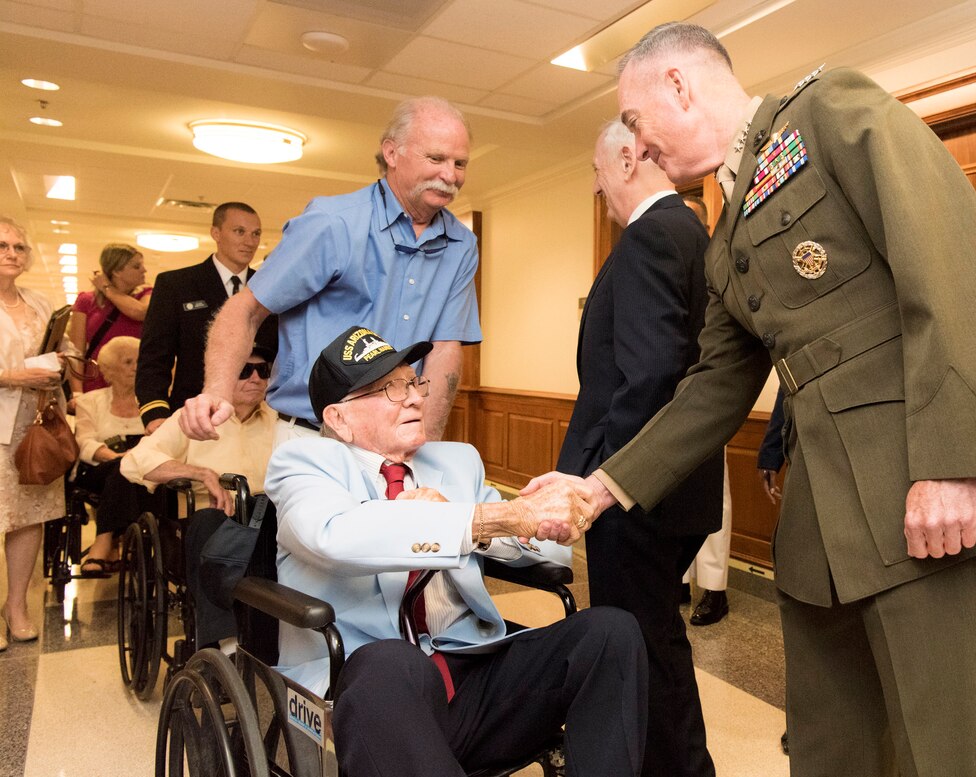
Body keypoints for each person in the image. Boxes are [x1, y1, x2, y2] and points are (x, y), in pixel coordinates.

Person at [528, 22, 976, 777]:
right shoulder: (724, 235)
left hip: (921, 497)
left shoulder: (829, 111)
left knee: (955, 752)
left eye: (636, 124)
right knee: (831, 751)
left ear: (678, 83)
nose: (636, 148)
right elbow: (712, 387)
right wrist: (603, 484)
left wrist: (953, 462)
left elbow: (954, 267)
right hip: (821, 534)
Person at [265, 325, 646, 776]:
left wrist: (502, 524)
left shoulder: (455, 461)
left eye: (413, 381)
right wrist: (473, 519)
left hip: (469, 673)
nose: (413, 398)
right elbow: (333, 534)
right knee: (391, 660)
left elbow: (551, 555)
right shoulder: (304, 465)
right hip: (371, 691)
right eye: (389, 388)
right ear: (338, 418)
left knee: (610, 632)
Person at [555, 120, 720, 777]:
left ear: (626, 159)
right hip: (670, 486)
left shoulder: (653, 235)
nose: (600, 190)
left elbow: (649, 376)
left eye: (599, 177)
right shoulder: (689, 232)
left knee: (644, 646)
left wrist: (604, 483)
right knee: (654, 640)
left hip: (638, 492)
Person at [179, 97, 481, 446]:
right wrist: (216, 390)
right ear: (392, 153)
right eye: (436, 158)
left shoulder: (461, 245)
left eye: (460, 163)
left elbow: (444, 348)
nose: (450, 175)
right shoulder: (332, 223)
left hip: (400, 442)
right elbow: (246, 310)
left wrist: (426, 440)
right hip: (316, 436)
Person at [136, 201, 277, 433]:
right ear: (216, 233)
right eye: (239, 232)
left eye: (256, 234)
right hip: (195, 415)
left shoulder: (269, 288)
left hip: (256, 418)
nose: (250, 241)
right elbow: (154, 357)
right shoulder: (176, 285)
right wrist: (155, 413)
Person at [0, 216, 67, 649]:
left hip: (36, 427)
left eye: (18, 247)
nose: (11, 253)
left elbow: (60, 351)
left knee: (29, 519)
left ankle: (17, 606)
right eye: (2, 245)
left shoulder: (41, 303)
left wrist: (60, 365)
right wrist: (14, 377)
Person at [123, 344, 276, 515]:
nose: (256, 378)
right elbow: (134, 460)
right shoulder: (194, 416)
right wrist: (203, 474)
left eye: (263, 370)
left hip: (273, 518)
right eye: (244, 370)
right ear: (221, 378)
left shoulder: (280, 418)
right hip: (217, 518)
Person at [680, 194, 732, 628]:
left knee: (716, 498)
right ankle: (678, 579)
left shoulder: (720, 263)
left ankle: (714, 589)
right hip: (671, 402)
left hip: (712, 398)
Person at [72, 336, 150, 573]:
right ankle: (110, 540)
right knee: (121, 468)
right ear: (109, 370)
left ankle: (104, 541)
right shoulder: (90, 401)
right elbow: (84, 442)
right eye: (128, 362)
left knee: (126, 469)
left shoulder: (151, 403)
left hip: (145, 470)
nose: (136, 367)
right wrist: (114, 457)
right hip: (98, 469)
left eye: (139, 361)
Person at [69, 243, 151, 394]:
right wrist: (77, 392)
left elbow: (140, 312)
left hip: (135, 384)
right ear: (117, 271)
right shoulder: (86, 301)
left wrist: (107, 288)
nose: (144, 270)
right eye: (136, 266)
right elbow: (76, 352)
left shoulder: (146, 295)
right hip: (95, 382)